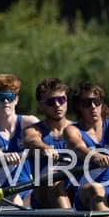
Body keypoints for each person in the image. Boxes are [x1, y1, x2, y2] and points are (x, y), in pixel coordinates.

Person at [0, 73, 39, 206]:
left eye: (10, 97)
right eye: (1, 97)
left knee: (49, 192)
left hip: (28, 187)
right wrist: (4, 157)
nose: (6, 101)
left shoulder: (30, 122)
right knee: (15, 199)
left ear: (16, 99)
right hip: (1, 191)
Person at [63, 81, 109, 216]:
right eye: (87, 103)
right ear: (78, 106)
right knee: (96, 189)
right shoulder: (72, 130)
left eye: (97, 101)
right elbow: (78, 147)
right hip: (86, 191)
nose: (93, 106)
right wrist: (95, 156)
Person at [23, 77, 75, 209]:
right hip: (44, 192)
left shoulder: (78, 130)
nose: (57, 105)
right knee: (55, 181)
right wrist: (44, 147)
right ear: (41, 105)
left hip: (74, 187)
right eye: (51, 102)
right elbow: (32, 141)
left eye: (61, 100)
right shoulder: (33, 130)